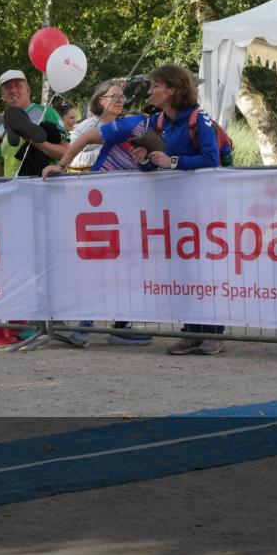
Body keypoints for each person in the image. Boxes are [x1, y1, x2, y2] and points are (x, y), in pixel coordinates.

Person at [94, 64, 225, 355]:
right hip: (172, 208)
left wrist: (173, 162)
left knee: (203, 270)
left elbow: (211, 159)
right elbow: (152, 165)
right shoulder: (157, 121)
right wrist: (143, 158)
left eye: (156, 86)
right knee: (182, 270)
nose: (150, 92)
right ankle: (191, 332)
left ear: (173, 89)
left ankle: (213, 333)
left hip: (201, 207)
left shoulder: (199, 118)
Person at [42, 80, 152, 346]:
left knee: (121, 264)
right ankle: (83, 325)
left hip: (122, 204)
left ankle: (117, 325)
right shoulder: (92, 126)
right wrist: (62, 166)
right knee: (95, 263)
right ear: (100, 100)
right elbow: (76, 145)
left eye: (122, 96)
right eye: (114, 96)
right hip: (96, 201)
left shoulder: (134, 123)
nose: (120, 100)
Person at [0, 70, 67, 178]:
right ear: (3, 95)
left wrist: (30, 137)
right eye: (8, 87)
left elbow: (66, 153)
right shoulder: (0, 126)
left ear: (28, 90)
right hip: (11, 186)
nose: (13, 90)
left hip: (43, 183)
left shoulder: (47, 113)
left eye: (18, 85)